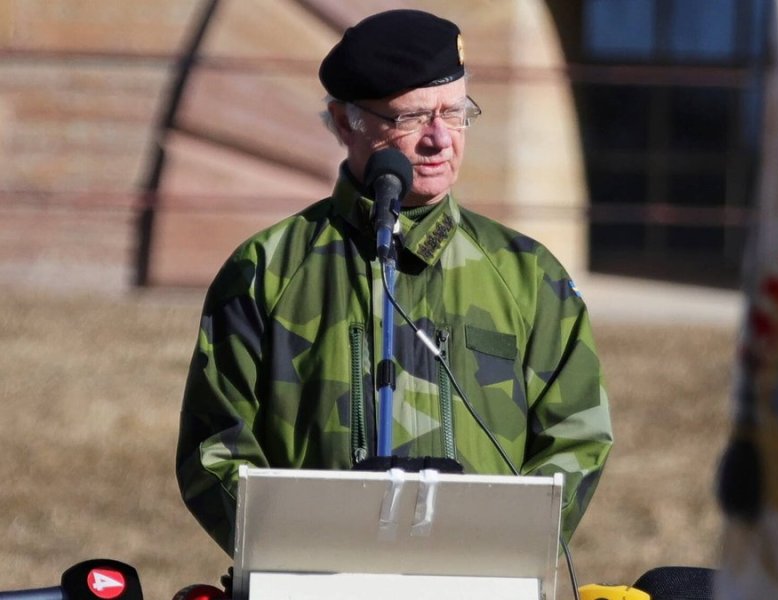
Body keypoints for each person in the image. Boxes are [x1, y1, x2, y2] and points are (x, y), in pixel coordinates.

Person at [176, 8, 613, 557]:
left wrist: (498, 552)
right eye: (410, 119)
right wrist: (301, 560)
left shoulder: (529, 277)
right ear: (344, 122)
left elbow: (577, 438)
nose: (440, 140)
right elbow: (214, 450)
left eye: (455, 114)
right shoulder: (266, 272)